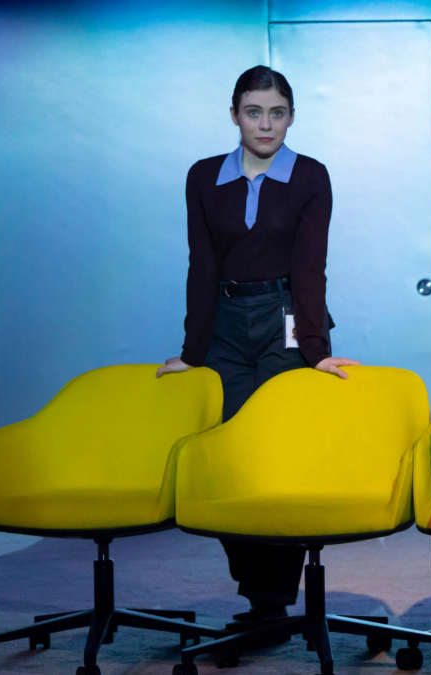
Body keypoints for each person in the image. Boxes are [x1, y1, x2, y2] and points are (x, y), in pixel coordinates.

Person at [156, 65, 359, 626]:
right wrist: (192, 351)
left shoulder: (310, 176)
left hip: (284, 317)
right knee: (227, 455)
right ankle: (257, 591)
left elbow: (309, 267)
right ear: (234, 115)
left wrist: (315, 348)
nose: (265, 124)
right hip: (224, 322)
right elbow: (202, 264)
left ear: (291, 117)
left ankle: (274, 598)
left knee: (276, 453)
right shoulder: (204, 177)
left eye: (277, 113)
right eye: (253, 112)